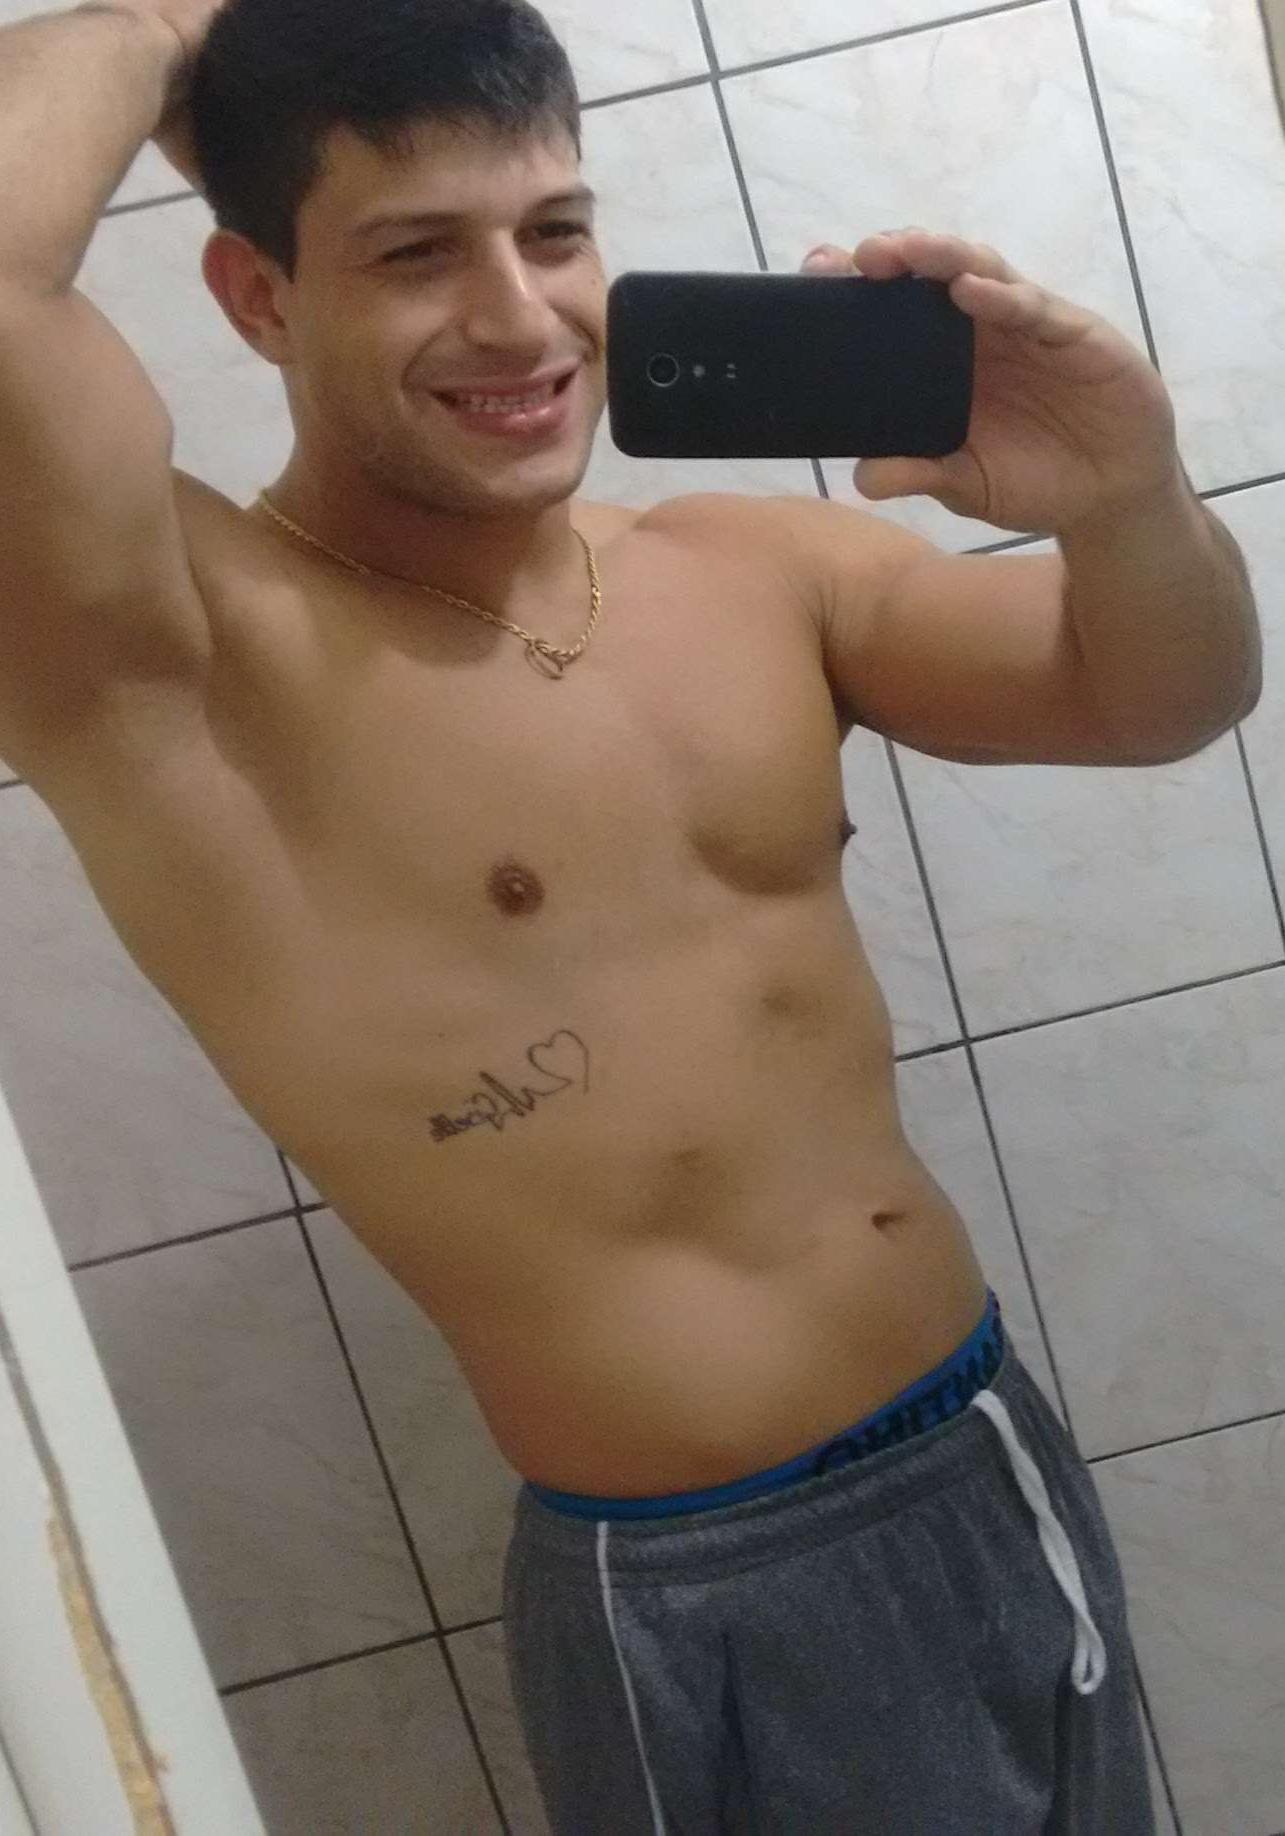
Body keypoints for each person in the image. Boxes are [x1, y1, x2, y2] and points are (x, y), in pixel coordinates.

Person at [0, 1, 1261, 1829]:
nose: (519, 317)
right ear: (259, 297)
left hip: (982, 1442)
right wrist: (185, 26)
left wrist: (1128, 493)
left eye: (554, 230)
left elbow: (1159, 699)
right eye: (415, 253)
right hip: (700, 1576)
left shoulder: (745, 569)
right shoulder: (177, 657)